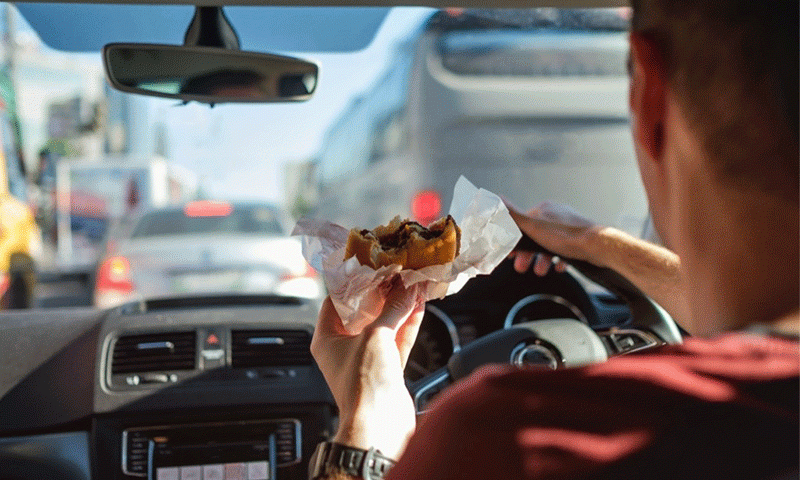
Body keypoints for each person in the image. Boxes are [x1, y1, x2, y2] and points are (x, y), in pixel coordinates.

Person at [309, 1, 799, 479]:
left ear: (650, 95)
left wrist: (364, 426)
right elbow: (745, 324)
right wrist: (597, 244)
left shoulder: (513, 438)